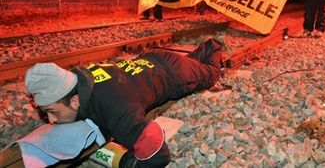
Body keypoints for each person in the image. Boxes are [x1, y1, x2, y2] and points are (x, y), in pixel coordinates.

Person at [25, 38, 224, 167]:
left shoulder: (115, 108)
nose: (51, 120)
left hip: (175, 73)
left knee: (211, 74)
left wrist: (128, 163)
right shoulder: (80, 79)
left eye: (52, 111)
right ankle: (196, 59)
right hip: (152, 59)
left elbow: (158, 156)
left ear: (75, 100)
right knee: (195, 65)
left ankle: (213, 45)